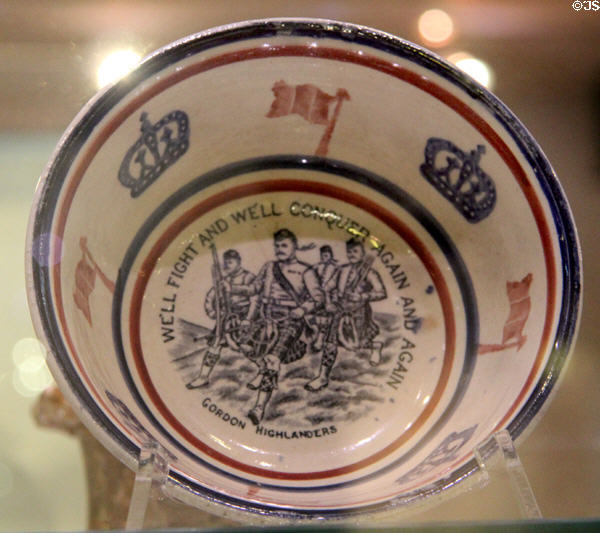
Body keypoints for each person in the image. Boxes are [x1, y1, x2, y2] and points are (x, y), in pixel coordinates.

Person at [229, 229, 322, 425]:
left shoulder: (306, 271)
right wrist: (232, 289)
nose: (280, 249)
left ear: (294, 247)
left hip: (291, 320)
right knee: (246, 347)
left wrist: (303, 309)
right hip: (266, 318)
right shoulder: (269, 267)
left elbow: (318, 298)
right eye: (277, 246)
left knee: (272, 360)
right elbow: (254, 288)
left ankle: (259, 407)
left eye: (284, 245)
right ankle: (262, 371)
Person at [305, 238, 387, 392]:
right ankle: (322, 377)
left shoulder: (369, 273)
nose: (351, 254)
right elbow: (328, 287)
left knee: (355, 345)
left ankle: (375, 346)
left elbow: (381, 292)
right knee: (331, 342)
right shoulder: (342, 270)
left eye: (355, 251)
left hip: (359, 313)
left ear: (362, 253)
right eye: (349, 251)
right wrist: (329, 302)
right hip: (339, 310)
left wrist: (362, 296)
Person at [186, 249, 255, 389]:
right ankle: (203, 377)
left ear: (238, 262)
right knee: (215, 345)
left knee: (249, 348)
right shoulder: (224, 279)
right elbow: (211, 297)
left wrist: (248, 319)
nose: (227, 265)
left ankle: (263, 372)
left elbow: (255, 298)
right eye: (226, 262)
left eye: (230, 262)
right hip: (226, 318)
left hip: (243, 318)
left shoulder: (249, 277)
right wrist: (213, 313)